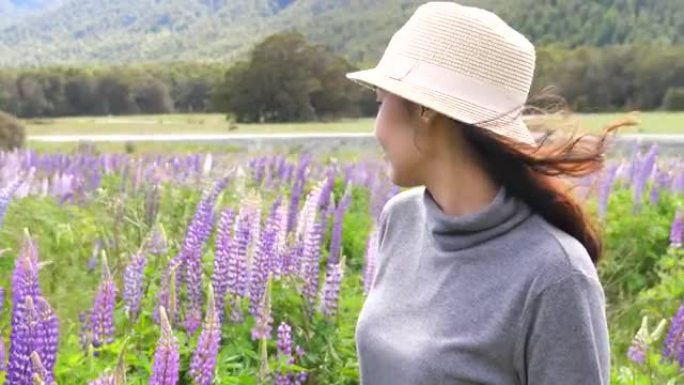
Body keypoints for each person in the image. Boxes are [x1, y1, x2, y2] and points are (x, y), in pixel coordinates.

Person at [345, 2, 622, 384]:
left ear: (425, 109)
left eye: (380, 102)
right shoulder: (401, 219)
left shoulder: (556, 275)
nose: (376, 128)